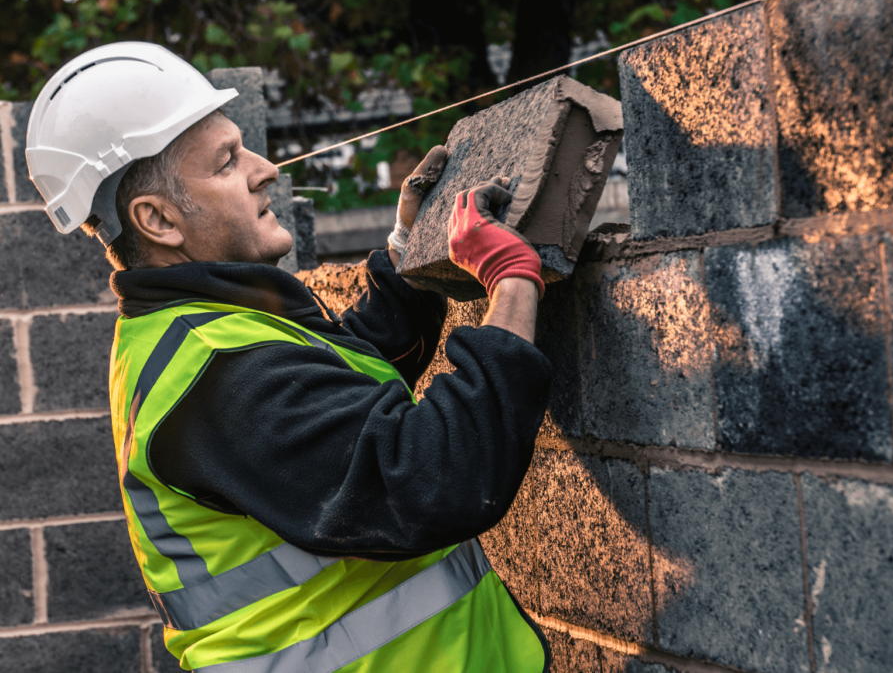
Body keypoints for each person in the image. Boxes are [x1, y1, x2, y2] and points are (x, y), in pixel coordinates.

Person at [26, 42, 552, 672]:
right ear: (159, 219)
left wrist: (410, 250)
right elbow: (435, 476)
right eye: (226, 163)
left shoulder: (196, 330)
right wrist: (514, 282)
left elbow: (337, 398)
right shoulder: (217, 376)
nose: (266, 168)